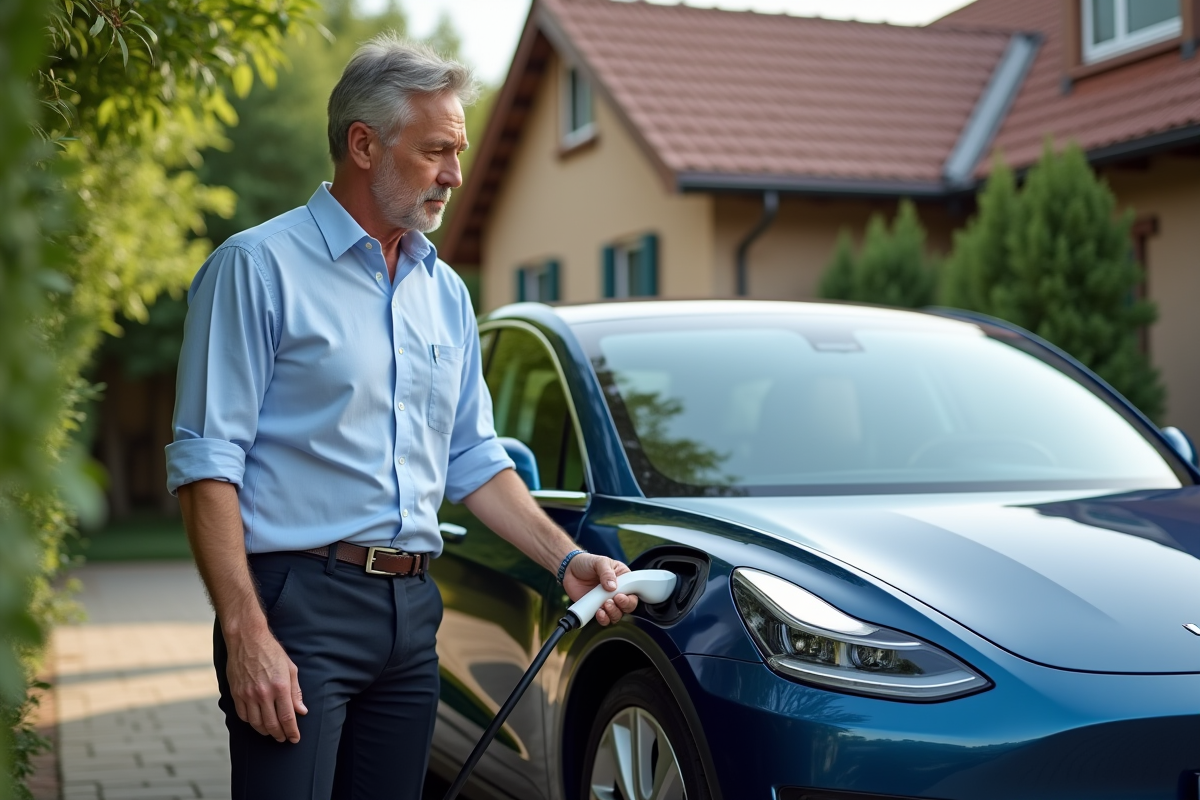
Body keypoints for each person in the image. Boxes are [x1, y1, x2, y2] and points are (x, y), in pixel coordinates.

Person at [165, 34, 637, 800]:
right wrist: (246, 634)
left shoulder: (444, 291)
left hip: (415, 617)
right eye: (436, 151)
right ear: (363, 145)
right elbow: (207, 465)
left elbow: (475, 459)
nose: (455, 174)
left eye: (459, 150)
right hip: (297, 607)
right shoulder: (256, 268)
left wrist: (564, 560)